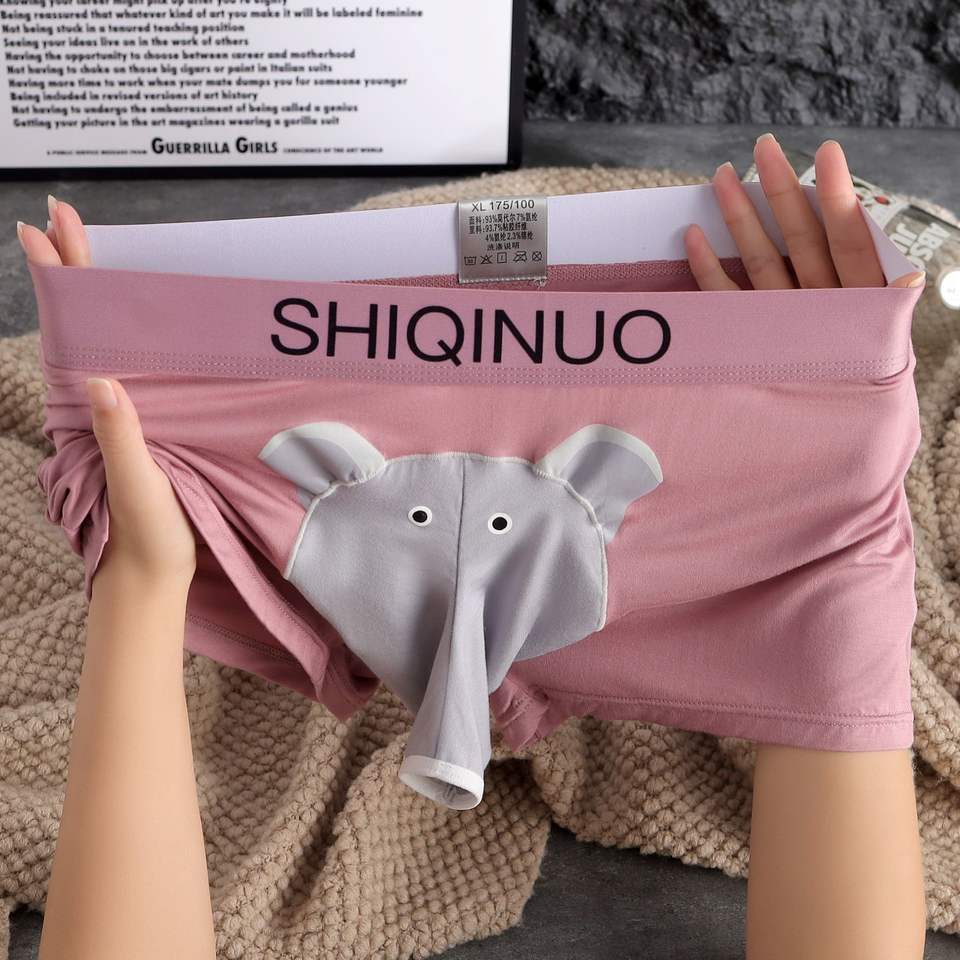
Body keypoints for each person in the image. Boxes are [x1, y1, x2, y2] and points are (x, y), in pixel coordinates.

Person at [16, 134, 929, 960]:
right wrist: (833, 506)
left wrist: (141, 581)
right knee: (832, 562)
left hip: (254, 434)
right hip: (715, 451)